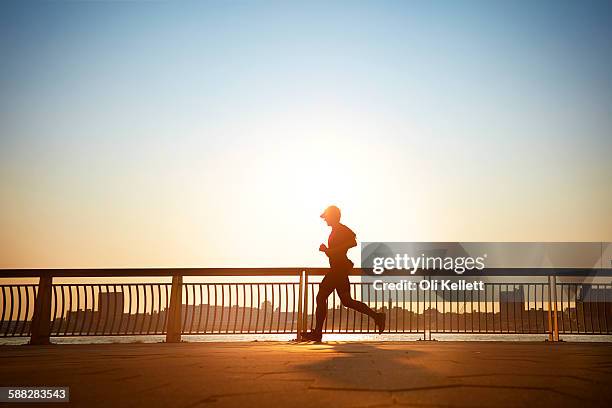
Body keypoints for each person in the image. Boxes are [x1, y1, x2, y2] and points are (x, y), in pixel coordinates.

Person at [301, 205, 385, 342]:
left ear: (333, 216)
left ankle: (318, 333)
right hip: (339, 270)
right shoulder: (335, 231)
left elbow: (352, 242)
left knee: (321, 296)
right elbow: (337, 250)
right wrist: (328, 250)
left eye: (326, 217)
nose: (324, 220)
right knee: (347, 301)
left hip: (338, 270)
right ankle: (377, 316)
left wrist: (329, 251)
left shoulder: (341, 229)